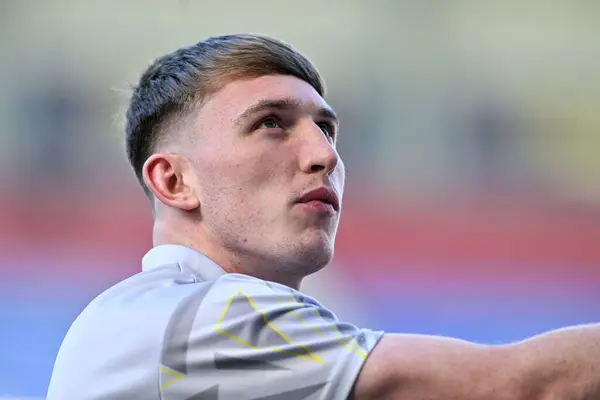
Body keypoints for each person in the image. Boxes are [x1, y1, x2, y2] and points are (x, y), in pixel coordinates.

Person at [47, 33, 600, 400]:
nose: (325, 155)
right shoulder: (204, 317)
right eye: (270, 123)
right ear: (174, 180)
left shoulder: (181, 330)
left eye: (327, 129)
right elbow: (524, 387)